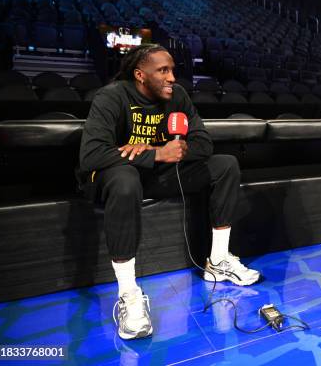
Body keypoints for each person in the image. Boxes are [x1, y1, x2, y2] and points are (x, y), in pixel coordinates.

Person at [78, 44, 260, 340]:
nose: (172, 77)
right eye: (163, 70)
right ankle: (130, 295)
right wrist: (156, 154)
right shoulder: (112, 96)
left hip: (156, 175)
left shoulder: (178, 97)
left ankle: (218, 261)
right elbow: (92, 155)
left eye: (173, 70)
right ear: (140, 75)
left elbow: (203, 144)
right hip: (117, 180)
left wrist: (173, 150)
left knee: (225, 165)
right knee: (125, 180)